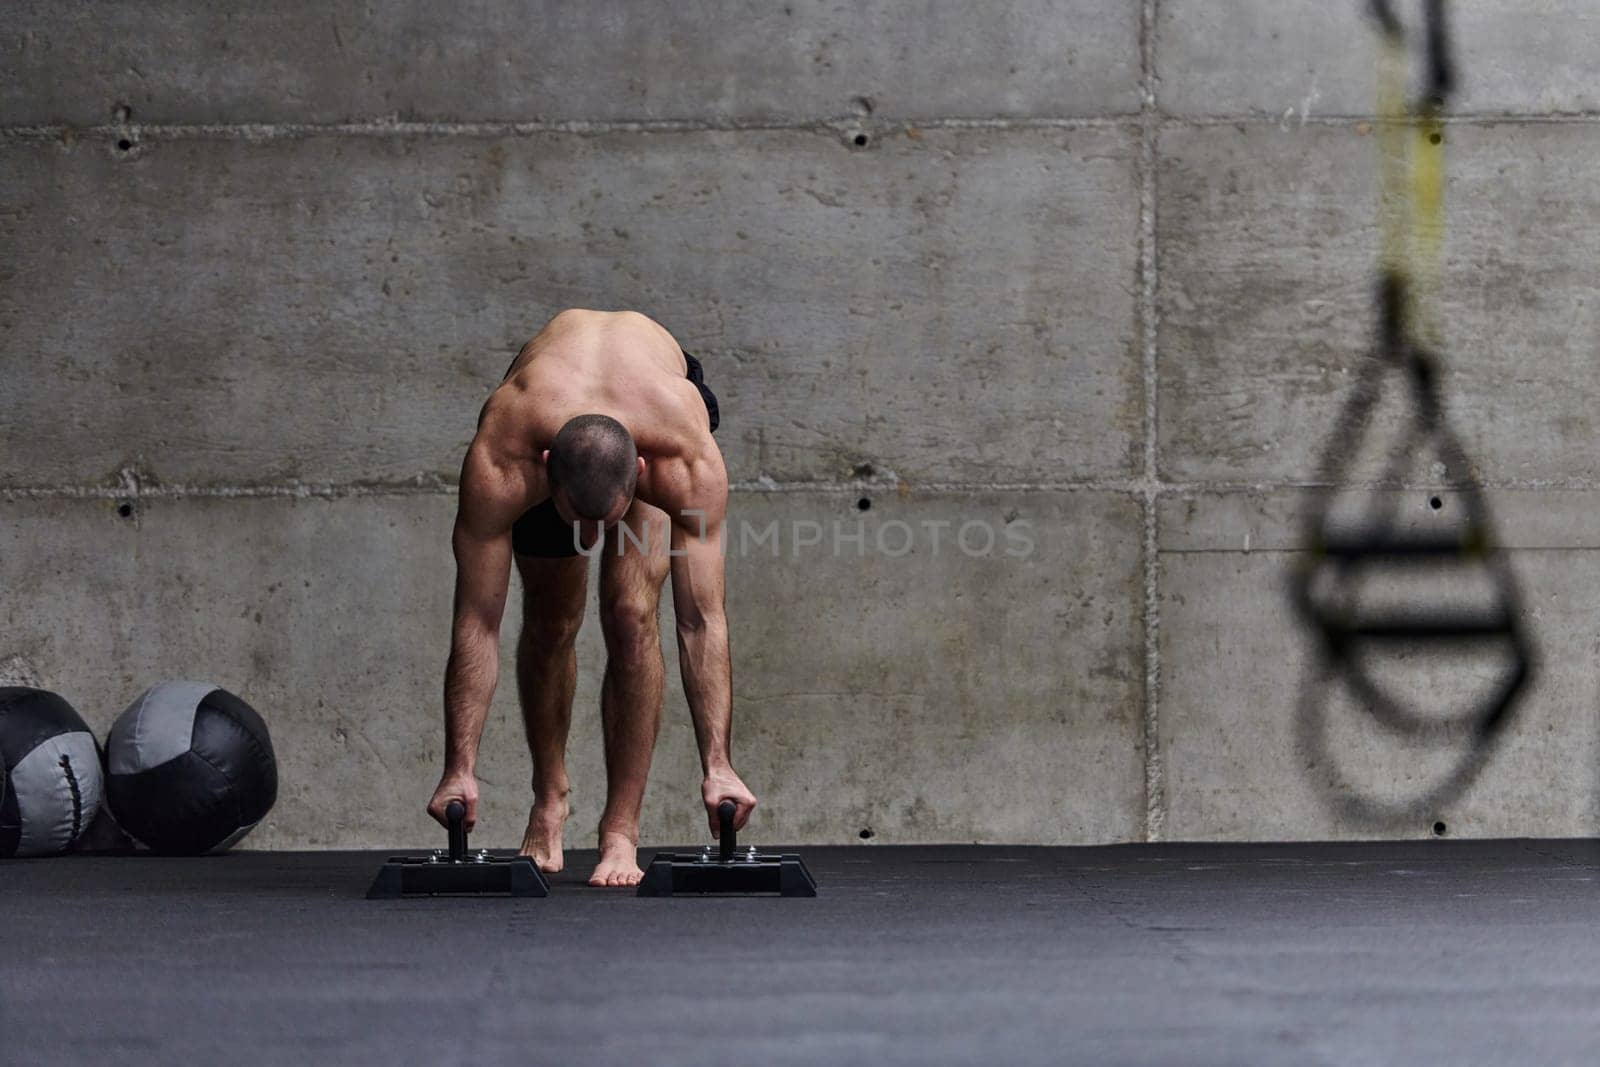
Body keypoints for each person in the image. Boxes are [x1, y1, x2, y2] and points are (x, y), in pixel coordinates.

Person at [426, 308, 756, 886]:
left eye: (603, 524)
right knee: (552, 622)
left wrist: (719, 765)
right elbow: (477, 620)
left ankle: (620, 831)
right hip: (550, 416)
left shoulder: (682, 454)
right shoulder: (506, 450)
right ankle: (549, 799)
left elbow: (701, 619)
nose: (590, 541)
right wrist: (459, 768)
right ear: (545, 469)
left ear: (644, 475)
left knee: (631, 615)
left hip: (649, 410)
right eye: (578, 524)